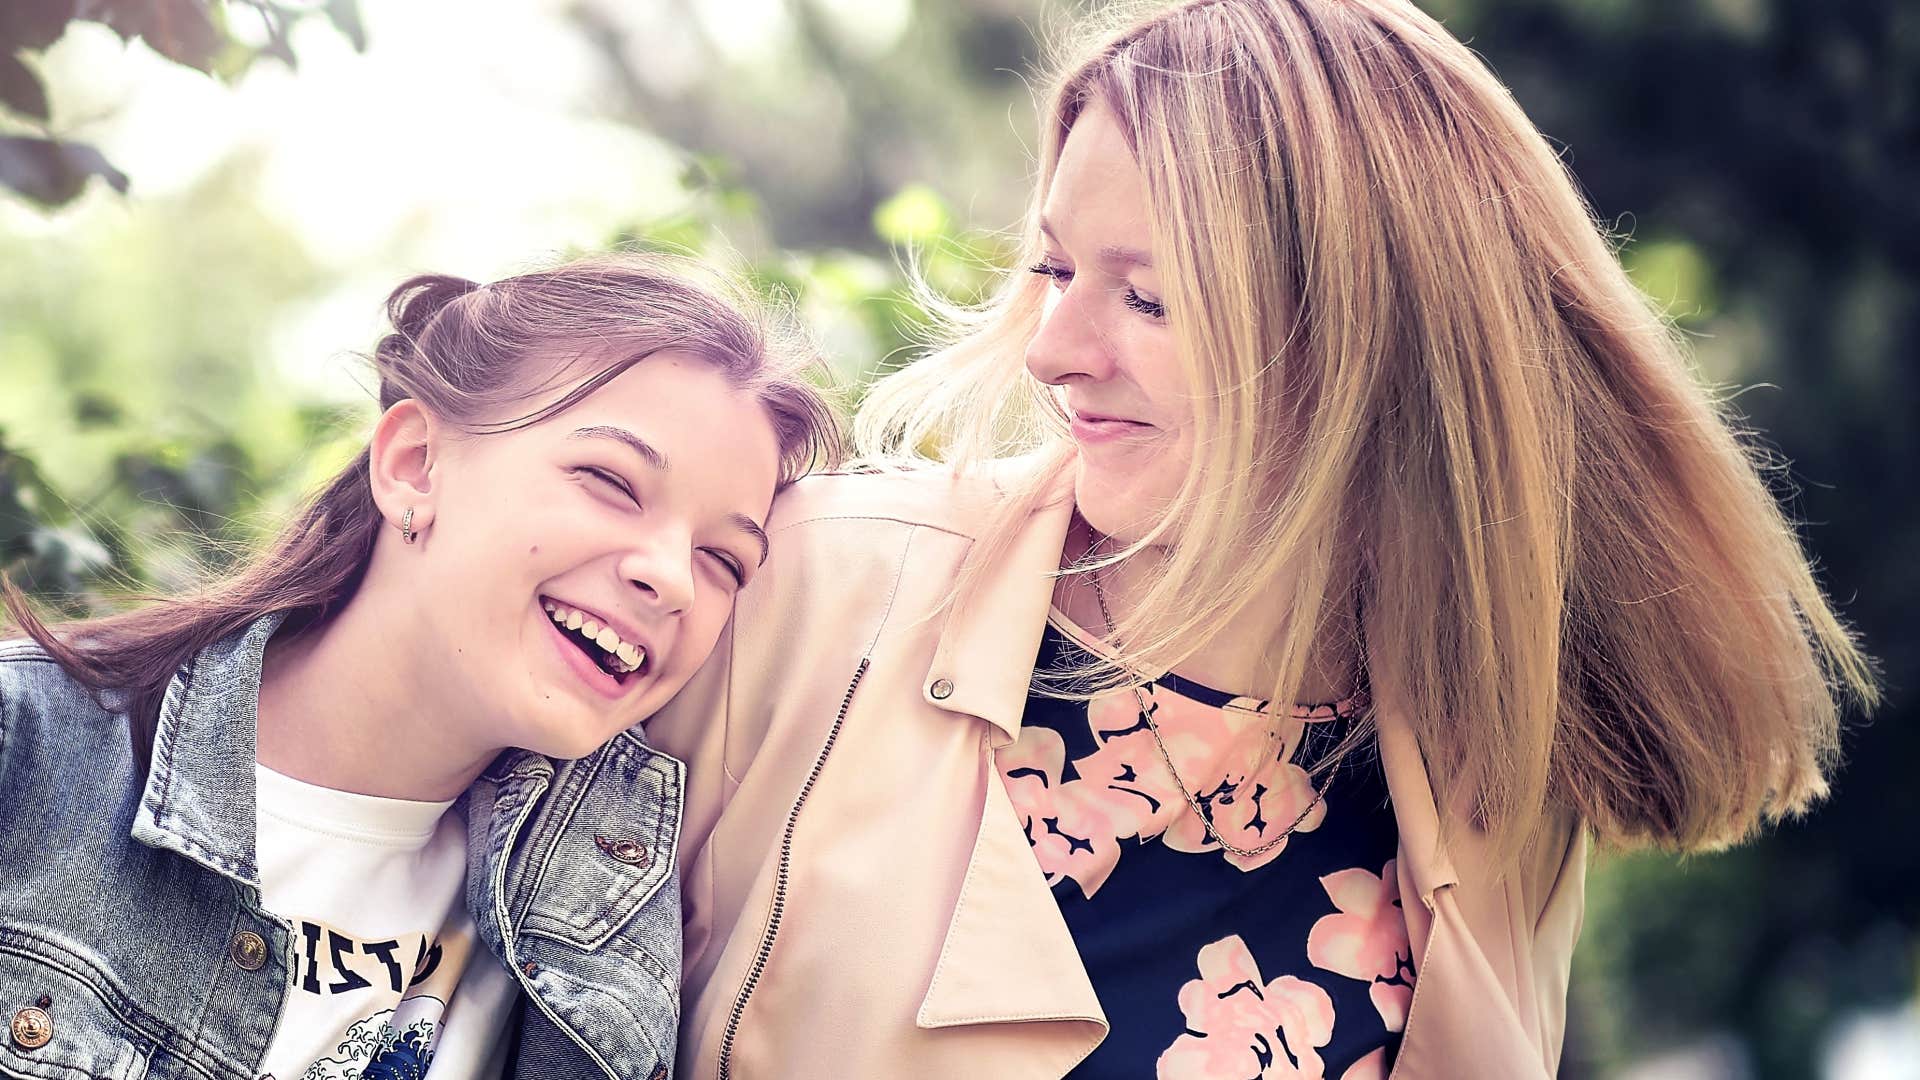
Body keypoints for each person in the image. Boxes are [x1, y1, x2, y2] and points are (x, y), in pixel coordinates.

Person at [631, 1, 1879, 1077]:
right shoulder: (819, 588)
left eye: (1150, 297)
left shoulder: (1493, 760)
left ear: (1358, 341)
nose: (1057, 351)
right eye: (1057, 272)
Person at [0, 255, 839, 1080]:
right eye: (611, 482)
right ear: (414, 467)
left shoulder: (612, 913)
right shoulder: (30, 757)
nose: (673, 578)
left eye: (725, 560)